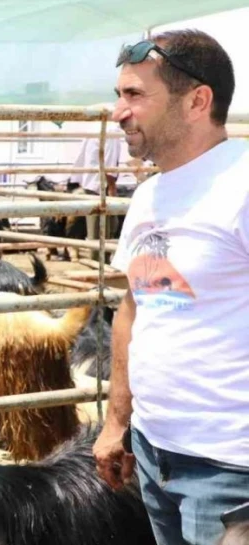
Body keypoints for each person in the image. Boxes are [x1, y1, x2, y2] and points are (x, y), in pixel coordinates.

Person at [93, 30, 249, 545]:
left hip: (230, 468)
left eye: (135, 95)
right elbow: (134, 310)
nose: (119, 111)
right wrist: (118, 422)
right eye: (120, 95)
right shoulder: (149, 195)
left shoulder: (242, 185)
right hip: (154, 453)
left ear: (197, 101)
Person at [67, 134, 123, 252]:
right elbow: (110, 162)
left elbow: (81, 157)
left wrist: (79, 179)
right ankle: (101, 264)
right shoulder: (111, 131)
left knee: (95, 231)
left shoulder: (94, 128)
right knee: (105, 230)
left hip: (90, 183)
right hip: (101, 186)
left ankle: (97, 261)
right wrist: (112, 185)